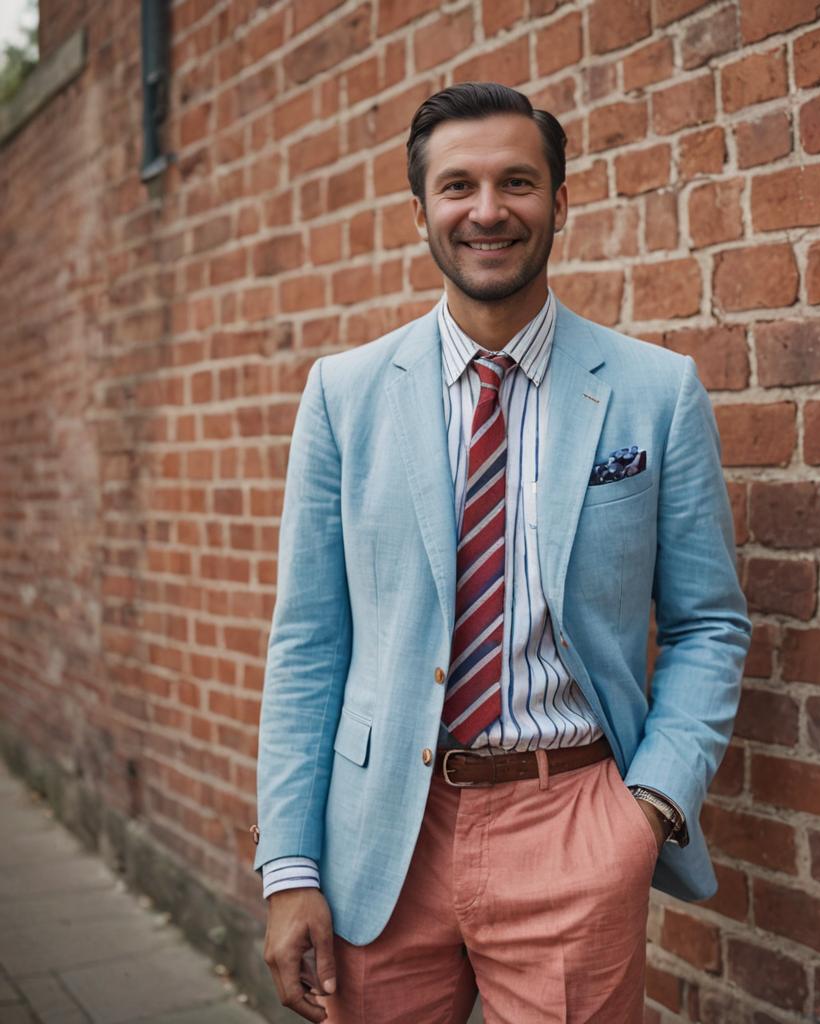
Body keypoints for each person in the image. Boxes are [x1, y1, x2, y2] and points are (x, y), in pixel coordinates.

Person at [251, 82, 751, 1024]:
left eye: (517, 182)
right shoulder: (344, 397)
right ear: (421, 211)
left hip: (572, 822)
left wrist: (644, 813)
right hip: (378, 846)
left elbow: (709, 623)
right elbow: (308, 643)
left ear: (559, 202)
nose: (488, 210)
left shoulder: (655, 393)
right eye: (458, 186)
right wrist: (289, 866)